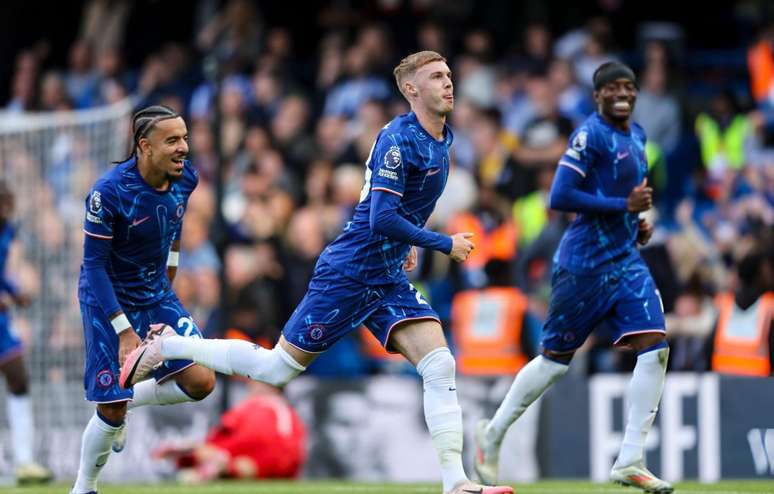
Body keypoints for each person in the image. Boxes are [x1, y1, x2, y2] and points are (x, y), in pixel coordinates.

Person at [121, 51, 513, 494]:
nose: (448, 83)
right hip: (350, 272)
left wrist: (409, 241)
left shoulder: (443, 139)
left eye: (449, 74)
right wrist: (442, 242)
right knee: (276, 370)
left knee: (440, 363)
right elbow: (379, 217)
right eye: (436, 76)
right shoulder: (397, 140)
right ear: (411, 89)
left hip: (386, 277)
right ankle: (164, 348)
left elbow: (400, 211)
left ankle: (455, 482)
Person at [473, 62, 673, 494]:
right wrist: (624, 204)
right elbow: (560, 196)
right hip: (583, 264)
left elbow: (628, 197)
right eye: (612, 88)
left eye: (629, 87)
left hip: (625, 259)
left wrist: (636, 221)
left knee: (655, 345)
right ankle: (493, 433)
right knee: (553, 362)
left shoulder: (637, 135)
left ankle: (631, 458)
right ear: (597, 96)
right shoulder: (590, 135)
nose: (622, 94)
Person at [71, 105, 216, 494]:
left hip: (154, 292)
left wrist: (172, 265)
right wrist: (123, 331)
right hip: (108, 296)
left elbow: (176, 219)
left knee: (202, 382)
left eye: (185, 137)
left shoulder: (186, 178)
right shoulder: (108, 193)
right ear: (144, 147)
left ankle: (130, 399)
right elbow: (94, 267)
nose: (184, 147)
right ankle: (83, 487)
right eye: (172, 140)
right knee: (110, 409)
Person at [0, 181, 54, 485]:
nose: (8, 207)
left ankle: (24, 461)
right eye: (3, 201)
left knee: (19, 377)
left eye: (10, 201)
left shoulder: (9, 229)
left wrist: (14, 292)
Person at [154, 381, 306, 483]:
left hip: (258, 443)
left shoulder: (254, 405)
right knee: (251, 465)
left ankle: (206, 459)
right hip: (287, 462)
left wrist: (203, 448)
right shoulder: (288, 411)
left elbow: (229, 428)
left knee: (219, 451)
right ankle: (221, 465)